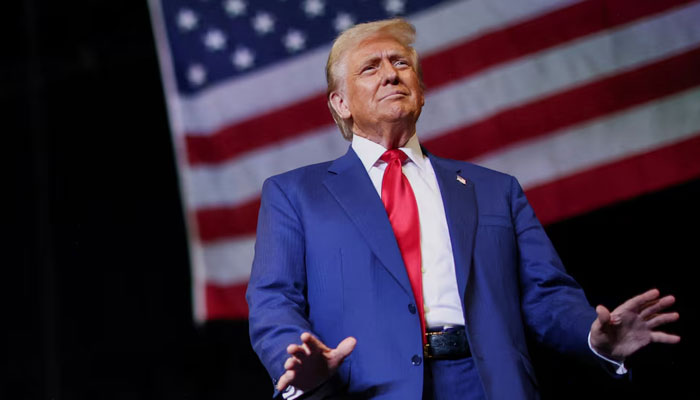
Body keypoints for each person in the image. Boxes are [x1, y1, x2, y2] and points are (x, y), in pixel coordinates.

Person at [246, 19, 680, 399]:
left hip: (490, 385)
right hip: (365, 390)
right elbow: (272, 300)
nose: (391, 75)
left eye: (401, 64)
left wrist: (593, 336)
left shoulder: (495, 190)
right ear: (340, 103)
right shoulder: (295, 194)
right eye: (370, 68)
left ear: (420, 90)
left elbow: (546, 294)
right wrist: (299, 367)